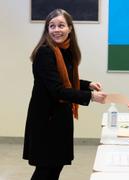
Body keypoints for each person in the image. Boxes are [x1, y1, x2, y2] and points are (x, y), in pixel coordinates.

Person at [23, 9, 107, 180]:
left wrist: (87, 85)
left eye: (61, 25)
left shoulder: (65, 51)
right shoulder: (45, 52)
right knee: (45, 170)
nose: (56, 30)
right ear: (47, 30)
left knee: (55, 167)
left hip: (60, 118)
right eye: (51, 26)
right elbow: (57, 89)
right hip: (46, 120)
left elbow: (66, 79)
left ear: (69, 28)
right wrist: (89, 96)